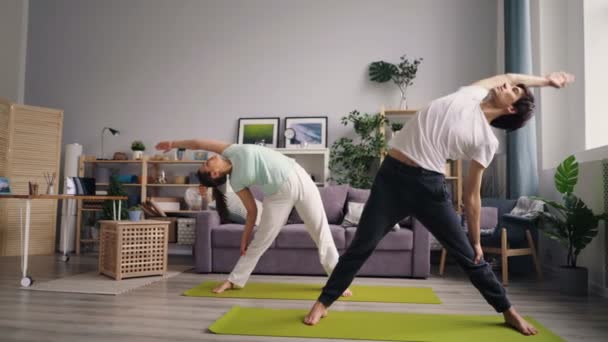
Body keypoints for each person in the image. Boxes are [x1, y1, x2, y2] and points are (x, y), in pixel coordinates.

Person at [304, 71, 575, 336]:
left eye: (514, 90)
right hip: (391, 178)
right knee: (361, 247)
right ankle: (323, 302)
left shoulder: (486, 141)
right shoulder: (471, 94)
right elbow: (512, 74)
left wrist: (477, 240)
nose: (507, 85)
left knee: (470, 257)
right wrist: (547, 82)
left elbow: (472, 195)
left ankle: (508, 310)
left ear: (512, 110)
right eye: (512, 85)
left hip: (428, 188)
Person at [155, 140, 352, 296]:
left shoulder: (231, 150)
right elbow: (251, 212)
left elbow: (198, 143)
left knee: (321, 231)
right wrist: (244, 240)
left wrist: (172, 143)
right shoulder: (236, 181)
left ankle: (338, 283)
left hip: (299, 178)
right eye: (208, 163)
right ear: (215, 173)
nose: (210, 158)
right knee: (260, 240)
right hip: (277, 197)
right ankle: (234, 279)